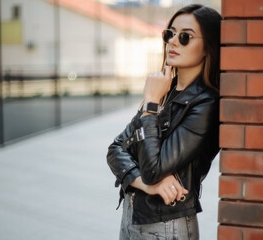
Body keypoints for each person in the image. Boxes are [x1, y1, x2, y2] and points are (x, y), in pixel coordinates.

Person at [107, 4, 221, 240]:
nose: (173, 42)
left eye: (185, 36)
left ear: (208, 46)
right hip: (131, 217)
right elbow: (115, 149)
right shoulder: (165, 92)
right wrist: (148, 186)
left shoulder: (206, 104)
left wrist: (150, 104)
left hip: (167, 225)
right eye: (169, 33)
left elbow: (154, 169)